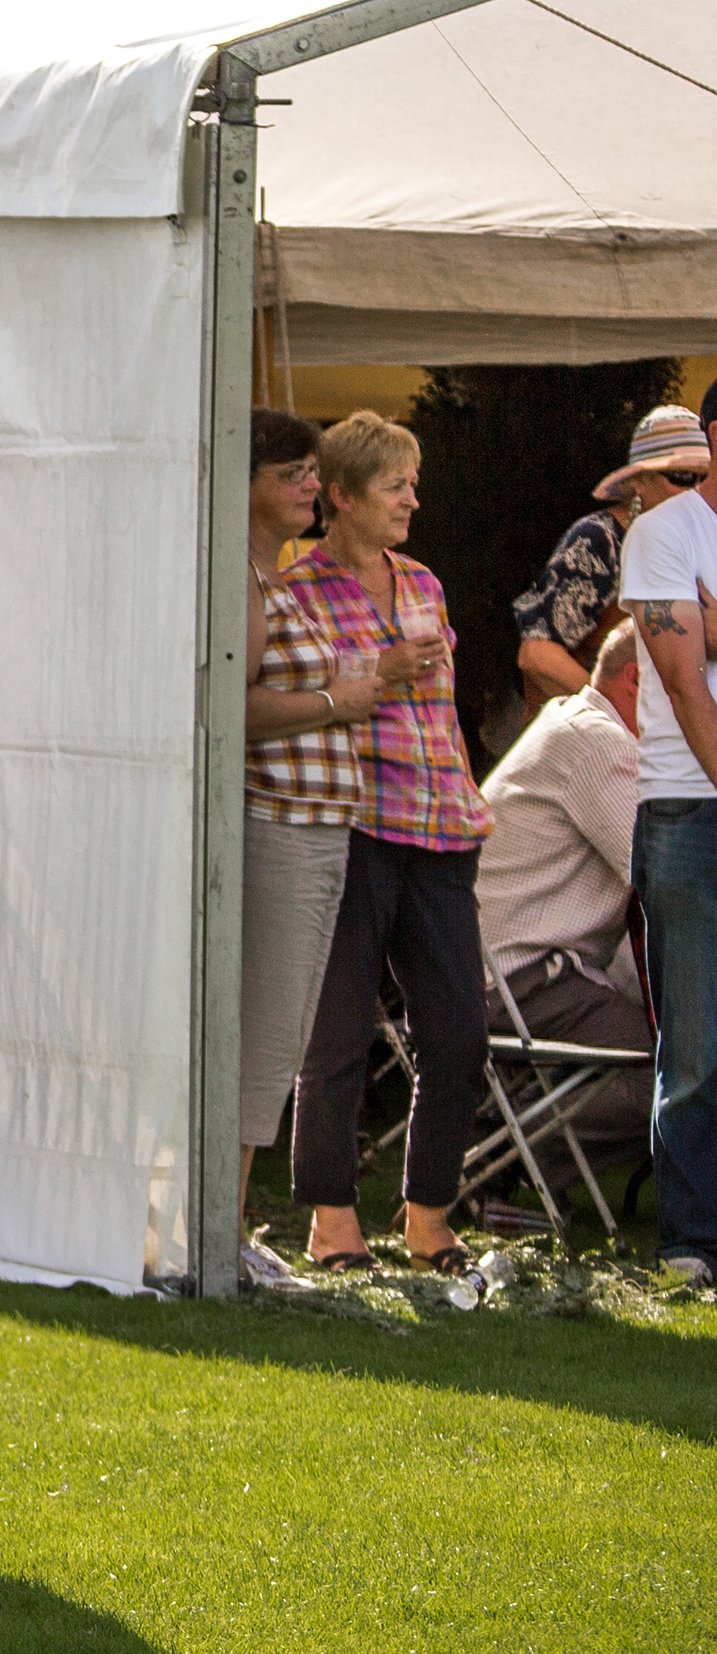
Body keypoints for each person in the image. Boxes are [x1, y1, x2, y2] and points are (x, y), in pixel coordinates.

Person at [281, 410, 487, 1276]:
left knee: (459, 1035)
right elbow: (306, 697)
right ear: (341, 496)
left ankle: (428, 1215)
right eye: (394, 484)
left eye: (412, 482)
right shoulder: (298, 589)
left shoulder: (426, 584)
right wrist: (382, 673)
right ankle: (333, 1222)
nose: (411, 497)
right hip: (358, 826)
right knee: (337, 1035)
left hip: (442, 830)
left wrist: (471, 791)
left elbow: (443, 707)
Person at [235, 411, 382, 1287]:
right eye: (292, 473)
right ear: (246, 478)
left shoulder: (275, 576)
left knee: (280, 1036)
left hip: (320, 829)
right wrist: (339, 701)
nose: (309, 489)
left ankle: (229, 1224)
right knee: (262, 1036)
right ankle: (221, 1230)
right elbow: (238, 706)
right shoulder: (244, 583)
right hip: (279, 829)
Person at [477, 619, 652, 1158]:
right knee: (673, 1069)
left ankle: (500, 1137)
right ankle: (494, 1155)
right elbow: (659, 874)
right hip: (517, 977)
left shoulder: (573, 720)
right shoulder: (600, 744)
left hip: (501, 969)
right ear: (636, 681)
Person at [621, 405, 717, 1293]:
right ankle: (690, 1243)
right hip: (691, 807)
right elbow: (689, 687)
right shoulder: (662, 534)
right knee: (696, 1046)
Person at [517, 406, 708, 708]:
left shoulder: (704, 543)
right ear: (638, 482)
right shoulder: (600, 540)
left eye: (705, 478)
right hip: (605, 743)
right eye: (681, 476)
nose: (695, 490)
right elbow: (538, 655)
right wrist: (616, 716)